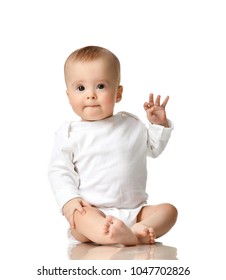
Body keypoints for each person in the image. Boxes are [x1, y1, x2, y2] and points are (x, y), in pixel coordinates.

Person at [48, 46, 177, 246]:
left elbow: (153, 148)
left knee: (169, 211)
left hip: (136, 212)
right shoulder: (69, 133)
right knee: (79, 220)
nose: (90, 95)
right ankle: (120, 235)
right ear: (68, 96)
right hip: (94, 211)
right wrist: (69, 201)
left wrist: (158, 124)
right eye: (81, 88)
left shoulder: (131, 124)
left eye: (100, 86)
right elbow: (59, 171)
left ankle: (130, 233)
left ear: (118, 93)